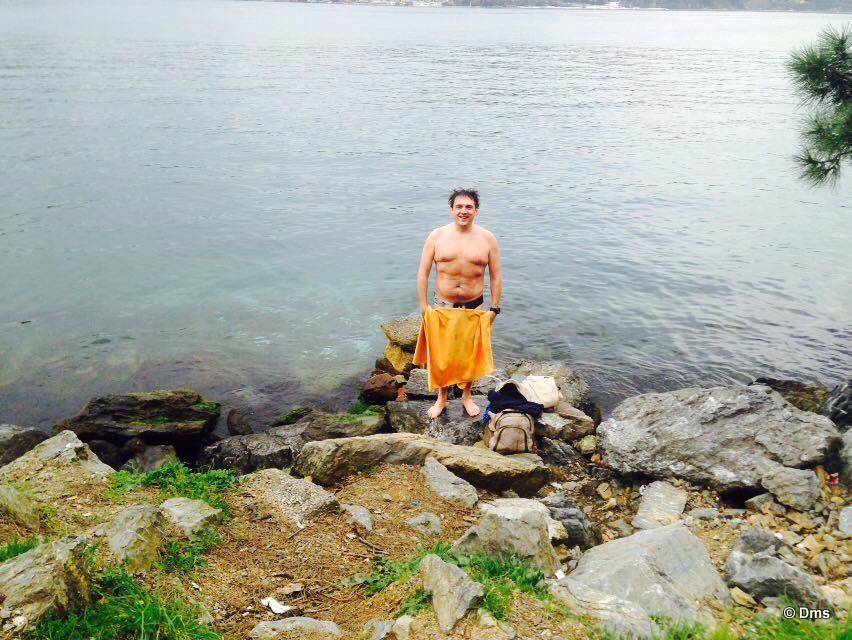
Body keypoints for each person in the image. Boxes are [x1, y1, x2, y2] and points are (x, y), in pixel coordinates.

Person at [416, 188, 502, 419]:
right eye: (459, 207)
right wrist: (423, 306)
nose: (464, 211)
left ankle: (466, 396)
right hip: (442, 306)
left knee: (469, 355)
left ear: (476, 210)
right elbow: (423, 273)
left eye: (469, 207)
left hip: (474, 307)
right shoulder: (437, 236)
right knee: (442, 355)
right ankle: (441, 398)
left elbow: (495, 276)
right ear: (451, 209)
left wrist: (494, 308)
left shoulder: (487, 239)